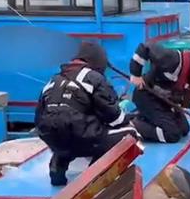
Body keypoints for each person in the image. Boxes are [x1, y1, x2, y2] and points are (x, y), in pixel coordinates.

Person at [35, 41, 141, 186]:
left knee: (65, 130)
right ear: (99, 61)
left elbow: (39, 118)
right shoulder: (94, 78)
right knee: (129, 133)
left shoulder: (52, 81)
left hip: (53, 140)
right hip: (80, 137)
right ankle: (93, 175)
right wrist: (129, 116)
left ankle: (58, 162)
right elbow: (115, 118)